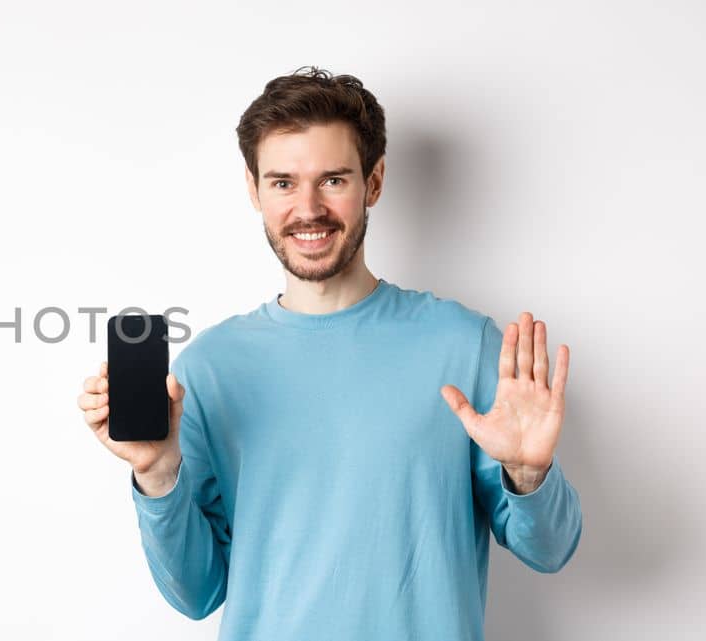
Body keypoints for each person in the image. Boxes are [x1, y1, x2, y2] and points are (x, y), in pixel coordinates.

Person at [74, 66, 582, 640]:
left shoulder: (465, 345)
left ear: (375, 181)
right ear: (254, 189)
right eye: (283, 183)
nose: (308, 209)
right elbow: (196, 594)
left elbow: (552, 551)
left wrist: (528, 472)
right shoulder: (209, 369)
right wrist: (158, 472)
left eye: (333, 180)